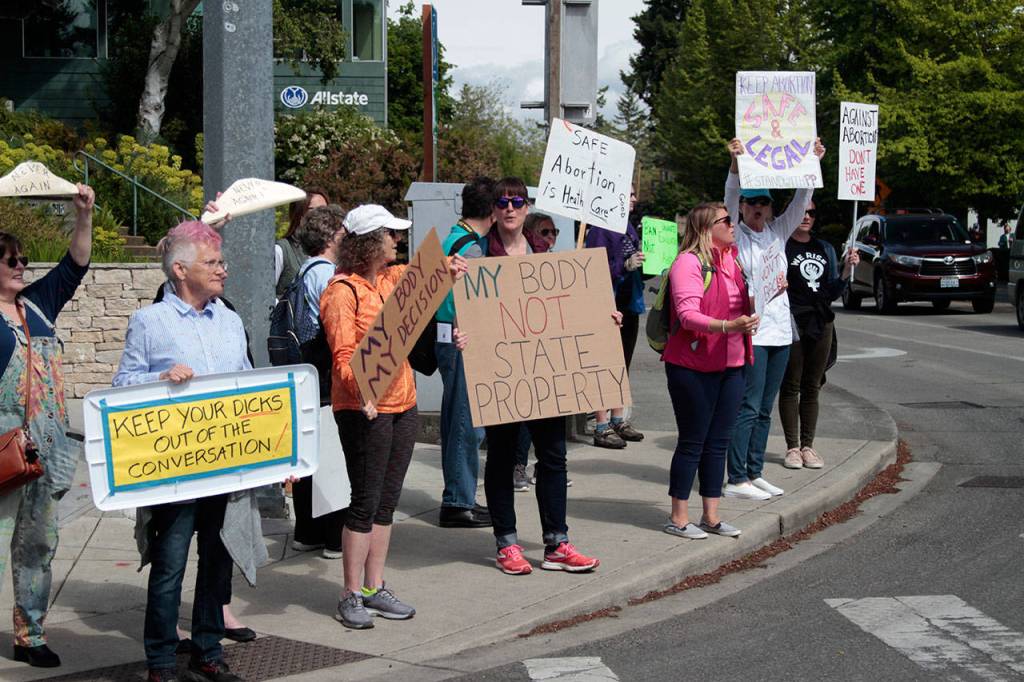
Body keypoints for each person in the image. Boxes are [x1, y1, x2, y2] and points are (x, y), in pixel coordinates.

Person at [114, 220, 267, 682]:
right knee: (171, 563)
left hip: (226, 465)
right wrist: (157, 380)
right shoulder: (149, 322)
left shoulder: (230, 319)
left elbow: (247, 386)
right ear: (180, 269)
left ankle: (207, 649)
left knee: (218, 560)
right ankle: (161, 660)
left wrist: (277, 455)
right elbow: (121, 386)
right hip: (176, 470)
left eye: (221, 261)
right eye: (213, 262)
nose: (223, 270)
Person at [320, 204, 466, 629]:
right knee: (365, 503)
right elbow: (343, 356)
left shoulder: (390, 278)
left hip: (403, 404)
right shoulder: (340, 292)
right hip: (363, 410)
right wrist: (362, 389)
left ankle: (373, 586)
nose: (398, 240)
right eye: (391, 234)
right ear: (369, 241)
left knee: (387, 501)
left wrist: (450, 269)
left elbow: (429, 285)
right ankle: (350, 593)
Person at [475, 178, 607, 575]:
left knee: (553, 456)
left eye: (517, 201)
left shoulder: (546, 256)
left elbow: (572, 310)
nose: (510, 208)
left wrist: (603, 317)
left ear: (527, 207)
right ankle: (507, 544)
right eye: (503, 202)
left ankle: (556, 544)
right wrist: (462, 331)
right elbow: (460, 308)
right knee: (501, 456)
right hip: (500, 370)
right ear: (494, 209)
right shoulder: (477, 256)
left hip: (545, 371)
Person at [0, 184, 94, 669]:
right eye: (11, 260)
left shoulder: (37, 305)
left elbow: (74, 265)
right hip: (1, 452)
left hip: (45, 451)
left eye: (23, 259)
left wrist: (84, 216)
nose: (21, 266)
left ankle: (29, 633)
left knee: (38, 545)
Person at [723, 136, 826, 501]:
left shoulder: (777, 233)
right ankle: (736, 478)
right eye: (752, 202)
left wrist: (812, 163)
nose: (757, 207)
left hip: (782, 331)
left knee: (766, 408)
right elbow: (730, 195)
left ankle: (754, 470)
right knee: (748, 406)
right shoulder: (736, 237)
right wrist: (735, 164)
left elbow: (801, 203)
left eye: (763, 202)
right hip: (753, 330)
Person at [662, 202, 757, 539]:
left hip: (732, 364)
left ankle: (711, 516)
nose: (735, 224)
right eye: (727, 220)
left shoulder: (732, 261)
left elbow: (738, 306)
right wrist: (729, 326)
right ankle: (678, 518)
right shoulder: (687, 263)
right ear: (706, 228)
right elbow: (688, 315)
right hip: (693, 365)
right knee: (693, 440)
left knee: (719, 441)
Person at [779, 201, 858, 469]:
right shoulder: (781, 244)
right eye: (801, 211)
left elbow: (833, 290)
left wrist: (847, 271)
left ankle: (807, 446)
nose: (806, 216)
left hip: (821, 321)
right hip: (791, 321)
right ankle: (792, 448)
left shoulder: (824, 248)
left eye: (811, 212)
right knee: (791, 384)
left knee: (812, 385)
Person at [434, 178, 493, 529]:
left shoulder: (455, 237)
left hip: (446, 337)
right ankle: (457, 501)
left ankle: (462, 494)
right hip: (459, 339)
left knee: (457, 416)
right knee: (464, 421)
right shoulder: (471, 248)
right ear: (492, 211)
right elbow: (470, 301)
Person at [290, 204, 348, 557]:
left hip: (305, 372)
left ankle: (306, 530)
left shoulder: (303, 271)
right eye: (343, 233)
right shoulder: (327, 275)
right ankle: (334, 536)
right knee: (332, 455)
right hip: (326, 374)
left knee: (310, 454)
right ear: (330, 237)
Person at [584, 186, 646, 448]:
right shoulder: (600, 228)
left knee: (621, 364)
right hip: (607, 303)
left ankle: (617, 418)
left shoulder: (629, 227)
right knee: (604, 365)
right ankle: (601, 424)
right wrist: (624, 265)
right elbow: (593, 266)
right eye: (628, 193)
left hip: (629, 301)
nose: (634, 198)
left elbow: (633, 264)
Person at [275, 187, 330, 297]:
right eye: (314, 210)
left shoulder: (331, 251)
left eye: (325, 211)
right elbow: (265, 296)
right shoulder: (281, 250)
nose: (322, 216)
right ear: (299, 214)